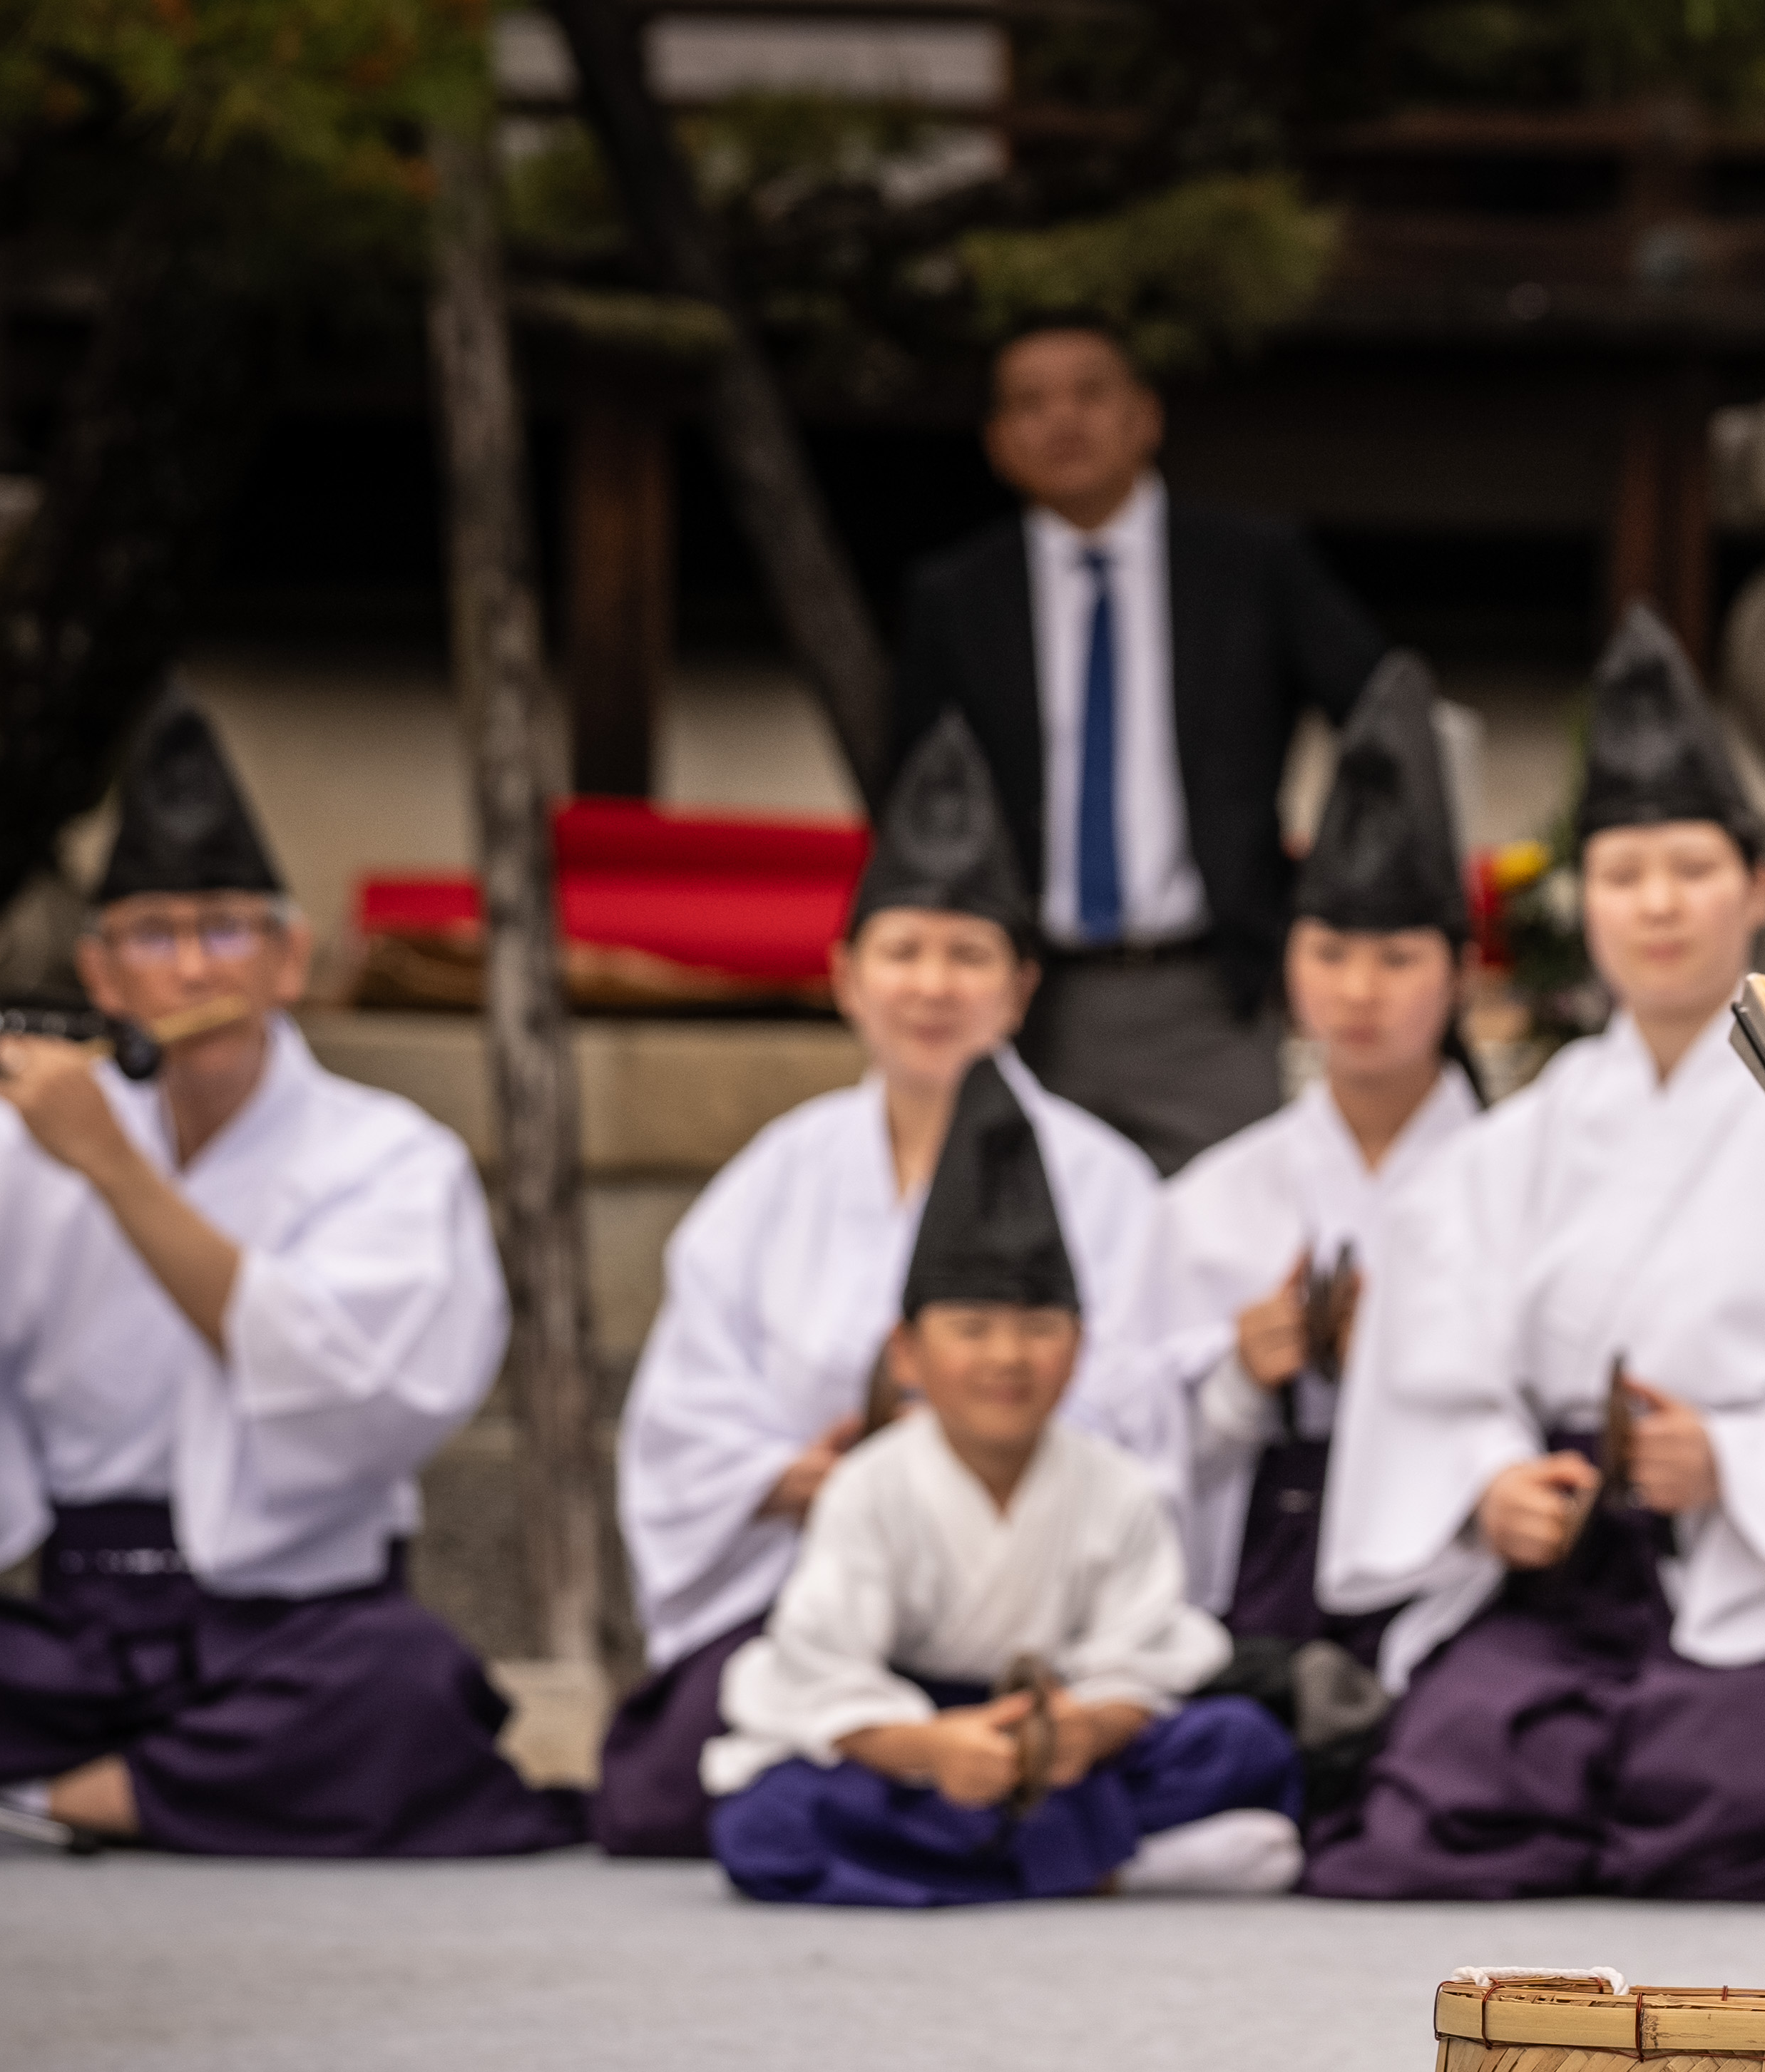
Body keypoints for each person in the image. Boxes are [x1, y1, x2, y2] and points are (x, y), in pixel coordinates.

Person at [0, 686, 571, 1856]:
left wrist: (111, 1166)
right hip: (69, 1621)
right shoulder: (5, 1143)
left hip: (282, 1626)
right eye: (154, 933)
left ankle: (46, 1803)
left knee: (410, 1682)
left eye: (225, 927)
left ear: (289, 955)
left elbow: (359, 1392)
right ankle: (165, 1787)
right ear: (101, 974)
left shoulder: (391, 1153)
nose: (194, 965)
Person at [1303, 606, 1765, 1902]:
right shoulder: (1518, 1141)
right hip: (1571, 1560)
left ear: (1758, 885)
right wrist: (1485, 1483)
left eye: (1690, 869)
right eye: (1622, 874)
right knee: (1452, 1791)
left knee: (1760, 1802)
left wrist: (1731, 1458)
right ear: (1583, 901)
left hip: (1756, 1555)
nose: (1657, 904)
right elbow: (1434, 1366)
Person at [593, 710, 1190, 1859]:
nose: (933, 986)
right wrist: (792, 1476)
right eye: (903, 952)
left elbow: (1145, 1413)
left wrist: (975, 1465)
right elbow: (685, 1409)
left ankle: (971, 1814)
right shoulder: (774, 1177)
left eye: (969, 957)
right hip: (822, 1595)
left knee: (1181, 1738)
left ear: (1021, 987)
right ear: (844, 977)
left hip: (1042, 1621)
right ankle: (1033, 1839)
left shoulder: (1105, 1182)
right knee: (663, 1792)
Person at [706, 1058, 1303, 1905]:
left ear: (1080, 1347)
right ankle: (1112, 1862)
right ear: (907, 1354)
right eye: (972, 1328)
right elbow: (824, 1669)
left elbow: (1145, 1655)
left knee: (1244, 1744)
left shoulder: (1115, 1486)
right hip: (923, 1737)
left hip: (1063, 1737)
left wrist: (1087, 1729)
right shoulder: (869, 1487)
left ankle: (991, 1861)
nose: (1006, 1358)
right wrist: (930, 1749)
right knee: (767, 1823)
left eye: (1037, 1327)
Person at [889, 313, 1390, 1171]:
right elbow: (910, 788)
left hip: (1207, 989)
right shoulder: (958, 595)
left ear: (1145, 415)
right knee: (1027, 1267)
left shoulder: (1251, 564)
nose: (1064, 421)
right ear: (998, 442)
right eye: (1031, 404)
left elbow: (1388, 719)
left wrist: (1331, 902)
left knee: (1236, 1250)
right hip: (1027, 996)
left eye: (1090, 393)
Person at [1162, 651, 1483, 1643]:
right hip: (1270, 1564)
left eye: (1397, 957)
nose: (1359, 991)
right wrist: (1239, 1382)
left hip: (1469, 1559)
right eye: (1330, 953)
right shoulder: (1214, 1197)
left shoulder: (1517, 1177)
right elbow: (1137, 1445)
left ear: (1463, 972)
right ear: (1289, 965)